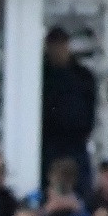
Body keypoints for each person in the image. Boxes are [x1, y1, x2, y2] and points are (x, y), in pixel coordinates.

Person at [41, 27, 97, 192]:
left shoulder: (82, 75)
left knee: (80, 188)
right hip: (48, 142)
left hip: (75, 141)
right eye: (54, 45)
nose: (58, 50)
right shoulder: (40, 75)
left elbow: (90, 106)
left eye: (61, 45)